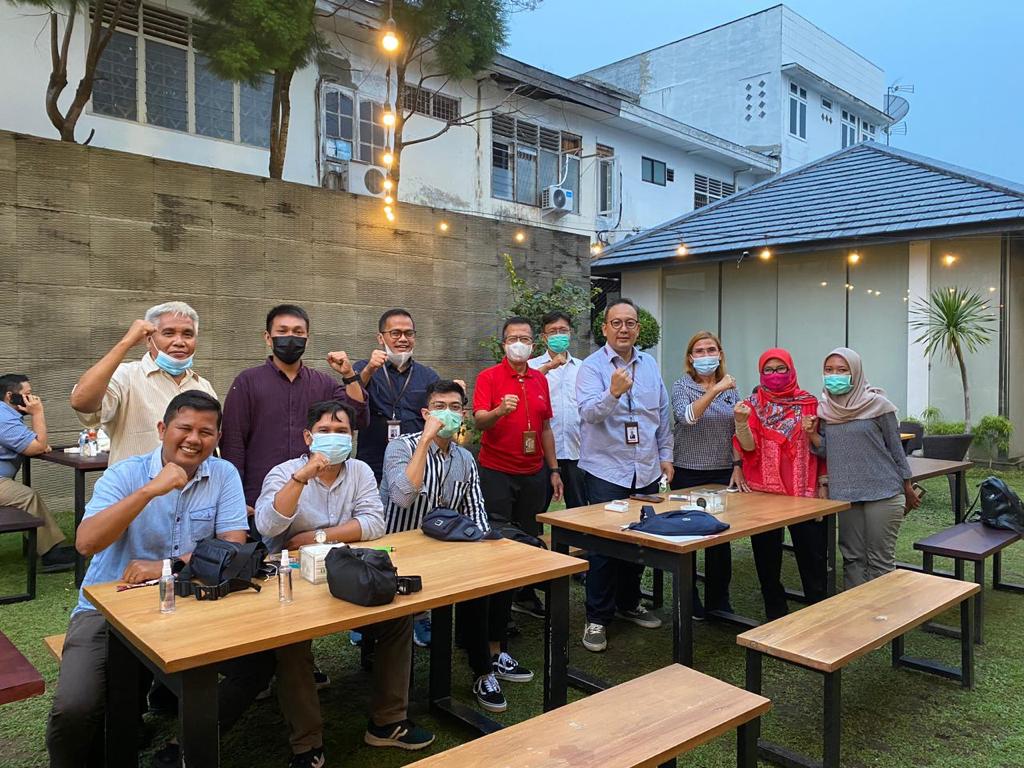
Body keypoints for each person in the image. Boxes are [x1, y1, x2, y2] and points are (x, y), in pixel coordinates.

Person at [45, 392, 273, 768]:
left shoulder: (223, 474)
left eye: (206, 432)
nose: (194, 439)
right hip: (107, 609)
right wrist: (151, 490)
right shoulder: (126, 473)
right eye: (185, 428)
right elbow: (86, 543)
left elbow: (233, 547)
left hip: (189, 601)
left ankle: (181, 748)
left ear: (217, 437)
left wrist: (168, 564)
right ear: (162, 429)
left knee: (257, 663)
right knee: (76, 707)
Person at [255, 400, 434, 766]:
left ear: (352, 437)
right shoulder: (285, 472)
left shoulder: (360, 471)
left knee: (398, 617)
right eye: (324, 431)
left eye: (341, 432)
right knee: (291, 643)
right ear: (308, 437)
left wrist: (312, 537)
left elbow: (374, 523)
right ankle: (308, 743)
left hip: (346, 572)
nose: (333, 437)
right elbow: (268, 527)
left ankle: (388, 721)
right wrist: (302, 478)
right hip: (292, 579)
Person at [381, 380, 534, 714]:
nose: (447, 414)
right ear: (425, 413)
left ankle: (486, 666)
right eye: (439, 407)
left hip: (445, 550)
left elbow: (476, 512)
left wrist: (488, 548)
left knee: (492, 570)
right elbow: (402, 497)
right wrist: (425, 441)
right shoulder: (401, 448)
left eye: (454, 408)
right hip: (399, 555)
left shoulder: (464, 458)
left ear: (463, 415)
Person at [576, 298, 670, 652]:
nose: (623, 329)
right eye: (616, 323)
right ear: (604, 328)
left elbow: (661, 414)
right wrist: (612, 393)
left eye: (630, 323)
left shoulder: (650, 365)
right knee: (603, 547)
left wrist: (666, 456)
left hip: (645, 468)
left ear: (638, 329)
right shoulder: (591, 367)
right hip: (606, 470)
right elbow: (589, 414)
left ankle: (629, 603)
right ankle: (597, 617)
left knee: (639, 541)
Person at [220, 303, 369, 516]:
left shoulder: (323, 383)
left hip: (313, 500)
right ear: (268, 337)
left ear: (307, 338)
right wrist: (235, 500)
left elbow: (358, 418)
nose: (290, 337)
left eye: (298, 332)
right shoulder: (247, 382)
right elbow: (233, 444)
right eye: (282, 331)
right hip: (258, 500)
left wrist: (348, 375)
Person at [474, 316, 562, 618]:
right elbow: (479, 421)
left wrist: (554, 470)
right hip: (496, 471)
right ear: (503, 344)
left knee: (529, 534)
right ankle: (498, 606)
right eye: (513, 339)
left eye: (524, 339)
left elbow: (545, 428)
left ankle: (524, 595)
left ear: (533, 345)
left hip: (533, 472)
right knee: (499, 536)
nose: (519, 344)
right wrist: (499, 410)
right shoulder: (488, 377)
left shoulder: (539, 379)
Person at [812, 347, 919, 588]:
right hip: (846, 495)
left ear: (856, 372)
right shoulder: (825, 410)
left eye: (842, 370)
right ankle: (856, 609)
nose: (834, 375)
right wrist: (812, 434)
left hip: (883, 492)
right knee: (852, 559)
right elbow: (827, 451)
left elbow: (896, 448)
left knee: (880, 561)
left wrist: (907, 485)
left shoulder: (878, 405)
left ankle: (883, 611)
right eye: (829, 370)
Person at [733, 348, 828, 619]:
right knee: (767, 557)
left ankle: (818, 611)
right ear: (761, 373)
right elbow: (748, 447)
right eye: (768, 370)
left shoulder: (809, 403)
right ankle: (774, 609)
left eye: (780, 369)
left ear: (791, 370)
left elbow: (821, 446)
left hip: (803, 490)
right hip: (765, 493)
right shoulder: (752, 404)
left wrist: (823, 484)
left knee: (812, 555)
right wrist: (741, 423)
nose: (774, 375)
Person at [70, 302, 217, 465]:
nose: (179, 342)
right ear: (148, 340)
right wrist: (126, 342)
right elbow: (81, 401)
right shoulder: (126, 377)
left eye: (188, 335)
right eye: (168, 333)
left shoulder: (203, 386)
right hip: (136, 482)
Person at [670, 331, 743, 617]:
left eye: (711, 350)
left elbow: (736, 429)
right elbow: (687, 417)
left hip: (722, 472)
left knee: (720, 539)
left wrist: (737, 465)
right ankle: (688, 599)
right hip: (688, 471)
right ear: (690, 358)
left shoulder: (731, 388)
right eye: (699, 351)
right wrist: (715, 390)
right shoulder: (682, 386)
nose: (705, 355)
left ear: (720, 354)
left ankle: (718, 600)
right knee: (687, 537)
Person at [352, 309, 440, 481]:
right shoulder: (363, 368)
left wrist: (455, 393)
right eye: (395, 333)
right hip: (373, 464)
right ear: (381, 338)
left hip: (415, 463)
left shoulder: (428, 376)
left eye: (409, 333)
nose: (403, 339)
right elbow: (351, 401)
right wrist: (369, 370)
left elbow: (438, 412)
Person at [0, 374, 75, 571]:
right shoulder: (3, 418)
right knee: (27, 497)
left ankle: (44, 547)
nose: (33, 399)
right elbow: (37, 447)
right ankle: (51, 555)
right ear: (10, 396)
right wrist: (38, 413)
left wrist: (36, 444)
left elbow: (34, 444)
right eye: (28, 394)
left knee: (25, 496)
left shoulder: (6, 416)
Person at [528, 311, 586, 511]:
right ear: (544, 337)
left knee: (578, 510)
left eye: (563, 330)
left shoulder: (583, 368)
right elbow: (525, 390)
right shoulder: (531, 367)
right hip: (541, 452)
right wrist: (549, 367)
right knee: (536, 508)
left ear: (570, 334)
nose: (558, 335)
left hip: (576, 449)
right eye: (553, 331)